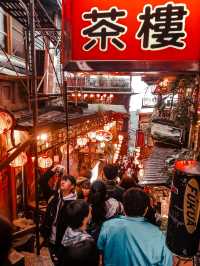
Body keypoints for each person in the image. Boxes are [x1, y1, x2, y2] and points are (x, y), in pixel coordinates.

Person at [98, 188, 173, 266]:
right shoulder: (160, 235)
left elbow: (100, 252)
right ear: (146, 210)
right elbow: (167, 263)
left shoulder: (108, 226)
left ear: (124, 206)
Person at [39, 165, 77, 265]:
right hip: (50, 237)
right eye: (63, 179)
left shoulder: (74, 204)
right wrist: (53, 169)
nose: (63, 181)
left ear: (72, 186)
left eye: (67, 180)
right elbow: (42, 181)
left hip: (63, 242)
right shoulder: (53, 196)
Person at [59, 200, 99, 266]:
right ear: (84, 218)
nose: (91, 213)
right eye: (89, 212)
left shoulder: (69, 229)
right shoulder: (87, 245)